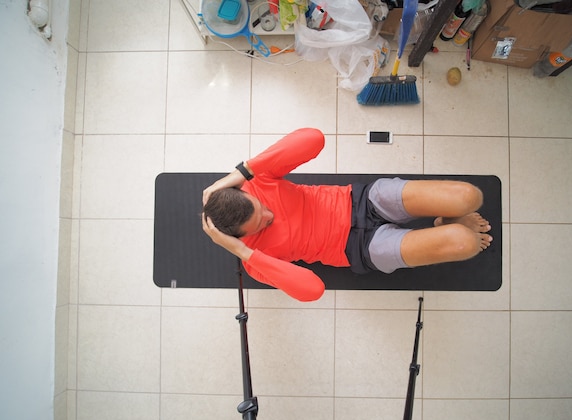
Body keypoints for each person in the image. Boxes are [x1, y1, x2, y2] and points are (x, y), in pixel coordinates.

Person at [202, 128, 492, 302]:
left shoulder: (257, 180)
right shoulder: (254, 259)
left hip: (363, 201)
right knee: (463, 243)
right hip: (362, 249)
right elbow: (312, 289)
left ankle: (444, 219)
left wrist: (241, 171)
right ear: (241, 237)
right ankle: (443, 225)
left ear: (244, 191)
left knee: (469, 197)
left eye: (261, 207)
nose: (270, 215)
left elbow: (313, 138)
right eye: (261, 224)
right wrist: (242, 252)